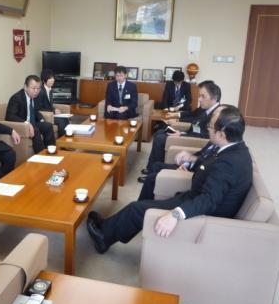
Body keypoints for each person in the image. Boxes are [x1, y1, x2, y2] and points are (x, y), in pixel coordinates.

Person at [87, 105, 252, 254]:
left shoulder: (229, 162)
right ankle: (107, 226)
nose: (207, 129)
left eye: (210, 126)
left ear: (222, 134)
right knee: (141, 204)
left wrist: (176, 215)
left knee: (137, 209)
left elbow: (209, 200)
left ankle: (103, 238)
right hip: (193, 196)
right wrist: (190, 162)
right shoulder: (232, 150)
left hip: (202, 214)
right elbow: (208, 168)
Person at [139, 105, 229, 200]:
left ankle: (146, 205)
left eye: (216, 115)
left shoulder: (223, 151)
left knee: (151, 178)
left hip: (191, 175)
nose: (209, 125)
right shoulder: (212, 131)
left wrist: (190, 166)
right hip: (190, 164)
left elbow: (205, 167)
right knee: (156, 165)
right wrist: (188, 161)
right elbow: (201, 152)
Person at [138, 80, 221, 183]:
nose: (199, 99)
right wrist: (177, 119)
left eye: (203, 96)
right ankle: (152, 169)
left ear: (214, 98)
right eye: (199, 96)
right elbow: (193, 116)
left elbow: (205, 136)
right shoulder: (206, 109)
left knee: (160, 138)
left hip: (193, 139)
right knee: (160, 132)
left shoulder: (217, 115)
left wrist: (182, 134)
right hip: (190, 133)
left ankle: (153, 172)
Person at [5, 75, 56, 153]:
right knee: (35, 130)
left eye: (38, 88)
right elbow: (10, 116)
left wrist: (42, 120)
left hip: (33, 124)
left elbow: (35, 110)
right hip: (22, 126)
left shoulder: (35, 97)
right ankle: (41, 156)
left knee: (48, 126)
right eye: (33, 88)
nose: (36, 91)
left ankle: (51, 151)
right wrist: (26, 124)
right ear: (25, 87)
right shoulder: (16, 98)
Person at [37, 69, 69, 137]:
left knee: (65, 119)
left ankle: (67, 139)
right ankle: (62, 143)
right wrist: (53, 111)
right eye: (50, 78)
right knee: (61, 121)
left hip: (51, 113)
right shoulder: (41, 91)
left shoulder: (50, 89)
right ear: (44, 80)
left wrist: (55, 109)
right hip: (46, 115)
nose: (52, 80)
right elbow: (40, 108)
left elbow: (48, 105)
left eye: (53, 78)